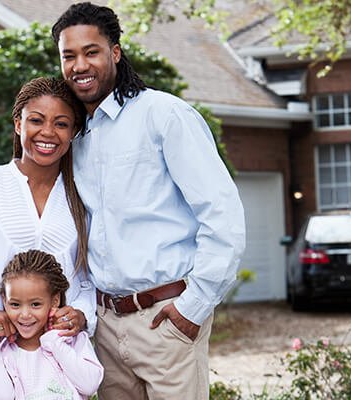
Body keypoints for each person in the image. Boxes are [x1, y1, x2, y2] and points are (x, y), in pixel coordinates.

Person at [52, 3, 246, 399]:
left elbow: (222, 215)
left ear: (115, 52)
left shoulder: (164, 115)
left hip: (166, 319)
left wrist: (193, 307)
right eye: (68, 56)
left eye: (91, 51)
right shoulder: (78, 137)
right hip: (104, 327)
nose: (79, 65)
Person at [0, 77, 96, 399]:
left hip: (57, 368)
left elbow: (88, 278)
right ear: (18, 123)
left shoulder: (84, 196)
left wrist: (80, 314)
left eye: (61, 123)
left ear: (74, 133)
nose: (48, 132)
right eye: (36, 120)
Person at [0, 250, 103, 399]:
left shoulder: (72, 340)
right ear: (4, 300)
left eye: (35, 304)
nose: (25, 314)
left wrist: (54, 341)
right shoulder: (4, 350)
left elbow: (89, 385)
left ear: (55, 300)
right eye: (15, 304)